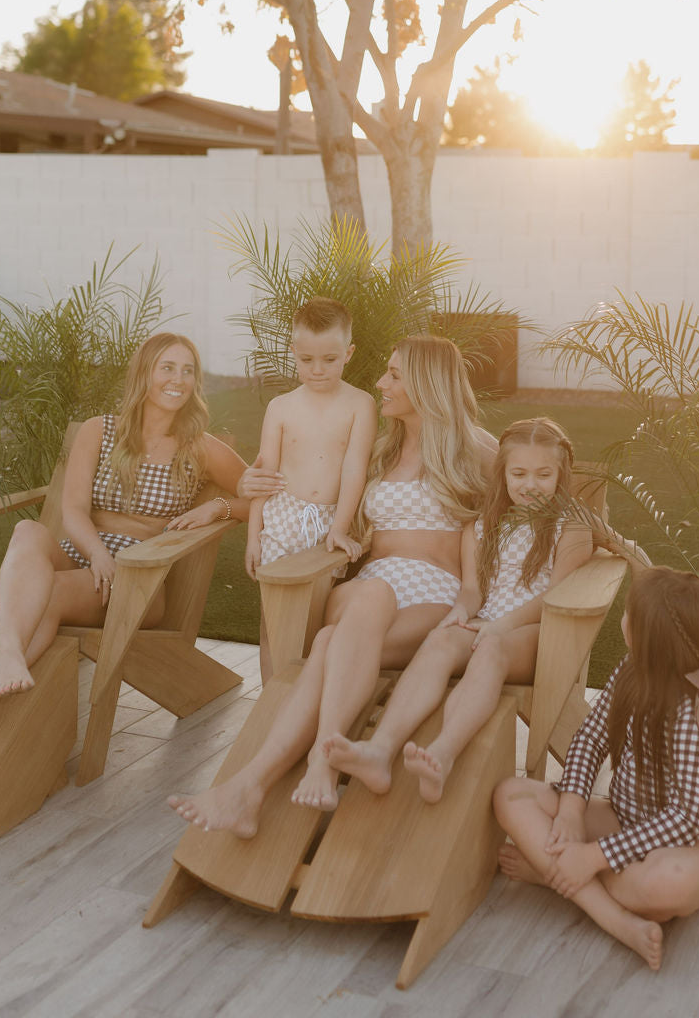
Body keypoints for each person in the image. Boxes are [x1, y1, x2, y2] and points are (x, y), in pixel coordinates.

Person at [167, 333, 497, 835]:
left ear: (427, 384)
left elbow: (530, 517)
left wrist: (482, 592)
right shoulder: (382, 451)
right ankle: (322, 761)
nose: (380, 383)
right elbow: (299, 492)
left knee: (326, 644)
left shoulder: (478, 451)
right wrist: (230, 504)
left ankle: (251, 786)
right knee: (372, 592)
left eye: (393, 374)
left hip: (434, 596)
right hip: (373, 586)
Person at [0, 332, 279, 747]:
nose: (177, 378)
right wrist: (96, 555)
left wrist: (219, 509)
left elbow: (268, 500)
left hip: (137, 579)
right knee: (27, 530)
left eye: (187, 369)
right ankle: (7, 652)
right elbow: (72, 509)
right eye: (167, 367)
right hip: (83, 554)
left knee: (44, 595)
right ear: (144, 373)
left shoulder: (200, 448)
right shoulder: (99, 430)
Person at [322, 417, 595, 803]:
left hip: (537, 633)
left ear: (561, 474)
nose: (529, 484)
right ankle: (379, 750)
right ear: (503, 473)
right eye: (518, 473)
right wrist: (461, 613)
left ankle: (443, 753)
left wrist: (500, 628)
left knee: (490, 651)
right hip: (486, 626)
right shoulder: (485, 523)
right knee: (438, 641)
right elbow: (472, 589)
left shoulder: (571, 526)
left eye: (543, 474)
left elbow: (554, 598)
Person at [493, 566, 699, 972]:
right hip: (623, 817)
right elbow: (591, 737)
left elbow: (688, 818)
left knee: (664, 886)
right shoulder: (632, 670)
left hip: (692, 846)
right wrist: (572, 809)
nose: (623, 621)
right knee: (511, 794)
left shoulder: (697, 709)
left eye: (630, 615)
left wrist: (593, 856)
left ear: (650, 639)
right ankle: (615, 917)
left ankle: (555, 875)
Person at [245, 296, 377, 677]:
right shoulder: (281, 408)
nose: (317, 370)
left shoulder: (360, 405)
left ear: (348, 353)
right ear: (293, 352)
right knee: (273, 622)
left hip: (328, 524)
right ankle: (271, 704)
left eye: (330, 360)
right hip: (281, 519)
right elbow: (265, 477)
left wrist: (339, 526)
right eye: (306, 360)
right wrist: (255, 537)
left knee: (314, 623)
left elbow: (355, 469)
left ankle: (304, 699)